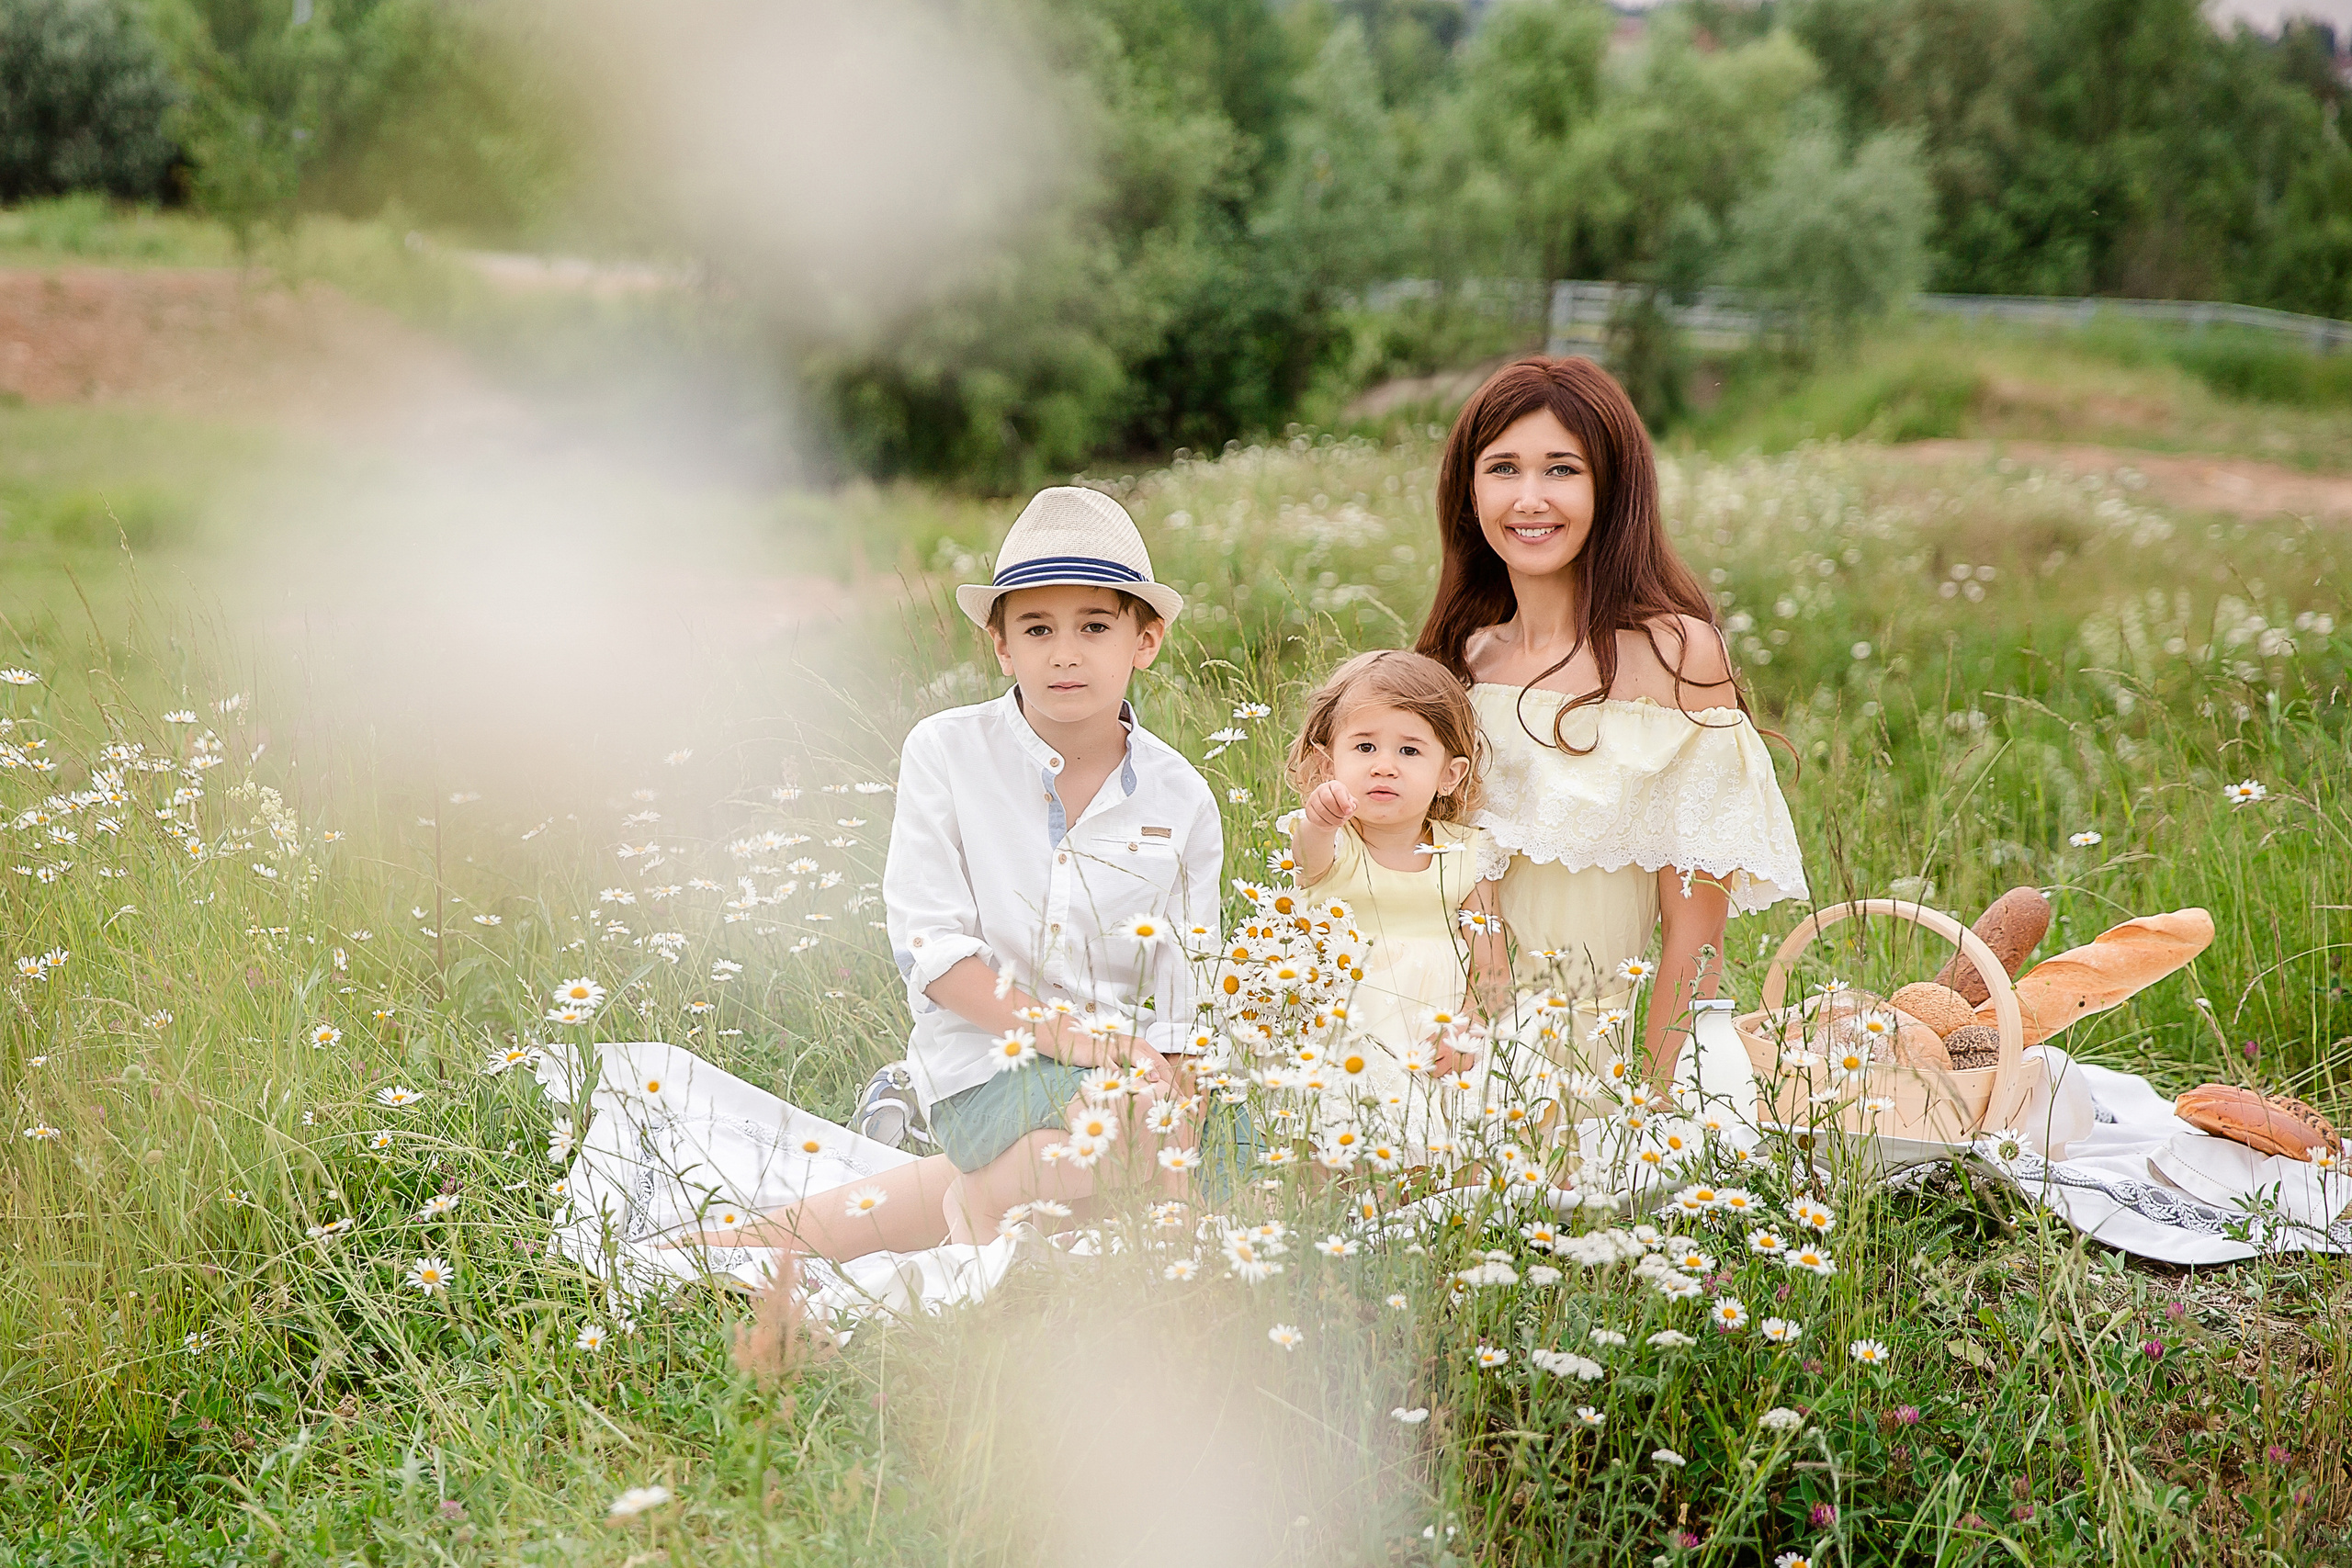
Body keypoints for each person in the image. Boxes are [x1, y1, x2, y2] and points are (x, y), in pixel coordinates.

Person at [687, 485, 1225, 1260]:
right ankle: (974, 1191)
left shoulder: (1183, 798)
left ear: (1146, 639)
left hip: (1127, 1076)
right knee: (1110, 1149)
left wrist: (1181, 1127)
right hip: (988, 1058)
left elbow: (1187, 985)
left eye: (1095, 626)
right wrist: (1087, 1046)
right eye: (1036, 628)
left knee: (1197, 1161)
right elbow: (934, 955)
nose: (1064, 651)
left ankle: (762, 1238)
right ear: (1002, 646)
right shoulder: (945, 752)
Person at [1411, 357, 1808, 1090]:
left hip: (1582, 1073)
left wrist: (1652, 1114)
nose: (1529, 498)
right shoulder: (1455, 664)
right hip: (1431, 1045)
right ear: (1470, 492)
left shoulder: (1677, 657)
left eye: (1562, 469)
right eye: (1503, 468)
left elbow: (1695, 944)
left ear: (1612, 488)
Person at [1283, 649, 1509, 1146]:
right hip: (1348, 1028)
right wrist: (1319, 819)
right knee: (1337, 1141)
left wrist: (1467, 1027)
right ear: (1329, 762)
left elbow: (1491, 964)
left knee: (1445, 1139)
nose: (1384, 767)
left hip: (1436, 1028)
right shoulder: (1335, 842)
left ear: (1448, 774)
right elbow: (1306, 860)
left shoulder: (1468, 853)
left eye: (1409, 752)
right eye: (1364, 747)